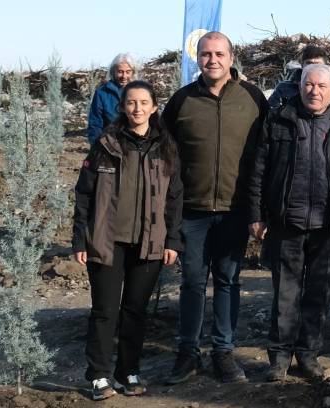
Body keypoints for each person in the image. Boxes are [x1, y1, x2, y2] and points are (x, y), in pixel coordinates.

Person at [248, 63, 330, 381]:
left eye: (320, 86)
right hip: (287, 222)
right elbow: (258, 171)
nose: (313, 91)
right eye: (308, 85)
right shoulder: (278, 120)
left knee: (319, 293)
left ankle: (309, 355)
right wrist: (256, 215)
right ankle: (279, 357)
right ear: (300, 87)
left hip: (329, 226)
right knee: (284, 293)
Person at [161, 31, 267, 385]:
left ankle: (224, 352)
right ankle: (187, 354)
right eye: (205, 55)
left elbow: (265, 156)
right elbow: (164, 157)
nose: (212, 60)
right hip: (191, 211)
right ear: (197, 59)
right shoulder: (181, 101)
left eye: (219, 54)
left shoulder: (252, 99)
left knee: (228, 281)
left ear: (232, 57)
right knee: (192, 282)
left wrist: (259, 208)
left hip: (235, 210)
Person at [73, 80, 182, 400]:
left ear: (153, 107)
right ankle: (99, 376)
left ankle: (128, 372)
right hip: (107, 241)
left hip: (149, 243)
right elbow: (84, 194)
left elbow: (175, 198)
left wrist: (172, 240)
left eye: (143, 103)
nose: (137, 108)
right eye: (131, 103)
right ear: (122, 107)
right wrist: (80, 239)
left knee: (135, 310)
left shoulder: (166, 147)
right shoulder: (106, 144)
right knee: (105, 310)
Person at [267, 45, 330, 109]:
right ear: (302, 65)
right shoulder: (284, 88)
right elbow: (271, 112)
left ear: (325, 66)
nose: (313, 67)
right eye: (309, 63)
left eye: (317, 64)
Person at [86, 53, 137, 145]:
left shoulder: (140, 92)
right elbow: (95, 124)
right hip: (111, 145)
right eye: (120, 71)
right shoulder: (102, 93)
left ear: (133, 72)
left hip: (136, 144)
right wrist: (96, 148)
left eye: (128, 72)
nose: (124, 76)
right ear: (113, 72)